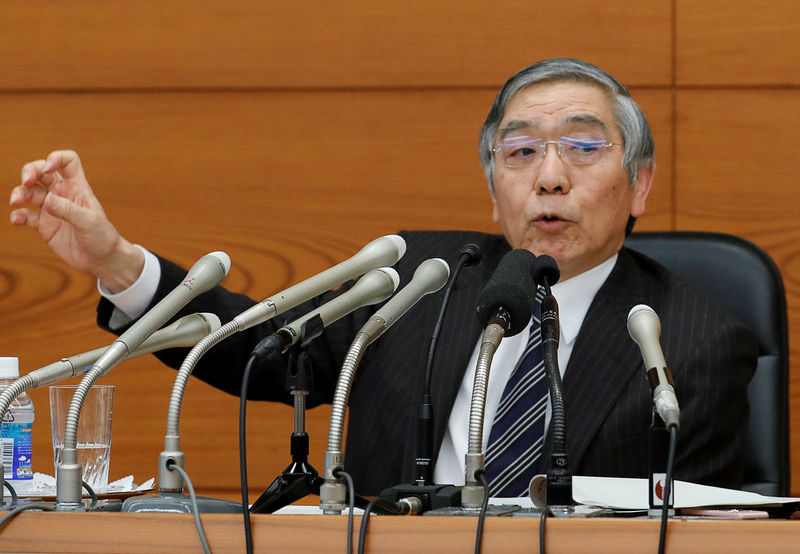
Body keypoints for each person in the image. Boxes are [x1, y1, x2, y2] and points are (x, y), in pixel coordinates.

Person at [9, 58, 756, 497]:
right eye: (521, 152)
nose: (550, 178)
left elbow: (694, 529)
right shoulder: (419, 278)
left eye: (584, 149)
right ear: (491, 186)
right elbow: (259, 347)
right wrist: (115, 262)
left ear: (641, 184)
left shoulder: (693, 342)